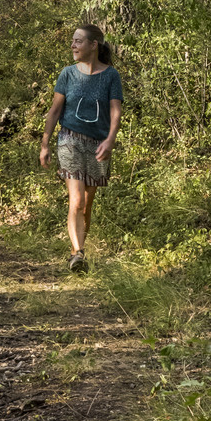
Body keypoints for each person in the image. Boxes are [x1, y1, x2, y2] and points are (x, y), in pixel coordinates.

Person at [39, 20, 122, 272]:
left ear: (93, 45)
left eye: (78, 41)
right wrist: (45, 144)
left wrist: (110, 140)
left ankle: (77, 250)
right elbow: (55, 111)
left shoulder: (111, 76)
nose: (73, 45)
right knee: (75, 201)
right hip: (70, 140)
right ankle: (79, 254)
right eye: (73, 41)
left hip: (98, 144)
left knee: (87, 202)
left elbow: (116, 112)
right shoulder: (67, 74)